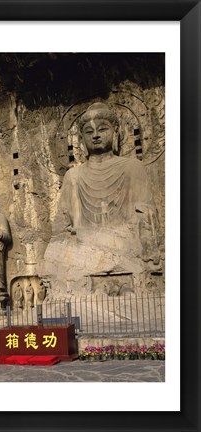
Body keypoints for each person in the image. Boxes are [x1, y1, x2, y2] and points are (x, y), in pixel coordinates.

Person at [42, 102, 160, 294]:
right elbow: (62, 225)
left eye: (102, 129)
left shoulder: (132, 167)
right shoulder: (74, 176)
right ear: (81, 139)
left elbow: (146, 215)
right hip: (84, 249)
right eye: (89, 132)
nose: (96, 135)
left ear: (116, 132)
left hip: (124, 244)